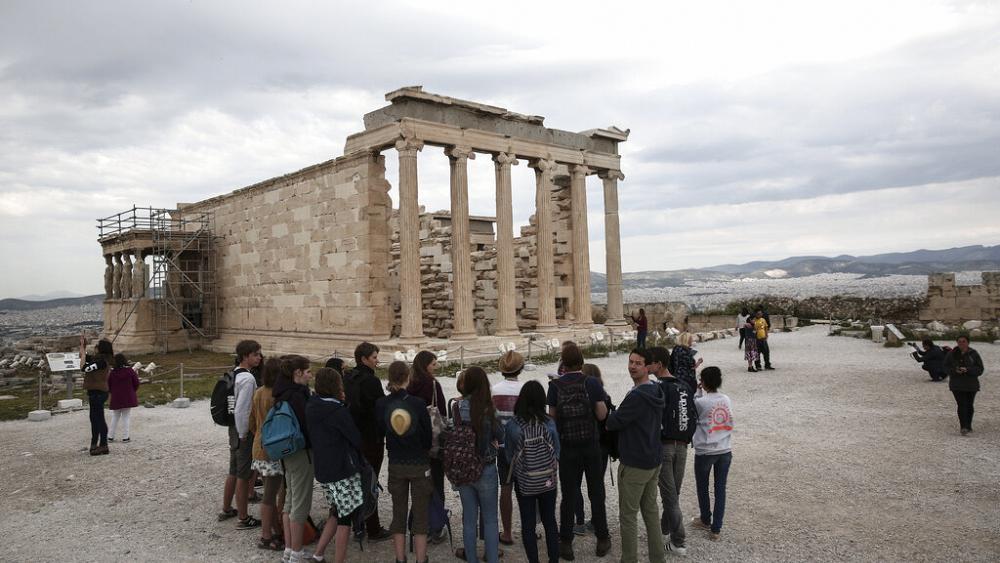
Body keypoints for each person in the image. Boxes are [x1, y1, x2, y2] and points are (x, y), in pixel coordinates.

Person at [547, 342, 612, 560]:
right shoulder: (591, 382)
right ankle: (602, 537)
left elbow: (552, 418)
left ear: (563, 363)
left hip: (568, 447)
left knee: (569, 495)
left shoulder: (555, 386)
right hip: (591, 446)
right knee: (596, 492)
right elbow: (602, 415)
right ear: (581, 362)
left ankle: (566, 542)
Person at [606, 348, 666, 563]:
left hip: (635, 463)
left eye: (638, 363)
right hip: (653, 459)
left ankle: (629, 559)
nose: (632, 366)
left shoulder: (638, 396)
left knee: (628, 516)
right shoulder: (656, 390)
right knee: (650, 512)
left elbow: (613, 422)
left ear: (648, 367)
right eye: (630, 362)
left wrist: (606, 411)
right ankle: (658, 558)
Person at [376, 361, 433, 563]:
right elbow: (428, 437)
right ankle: (420, 558)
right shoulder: (417, 404)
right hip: (419, 462)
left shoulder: (382, 404)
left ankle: (400, 558)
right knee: (420, 514)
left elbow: (379, 432)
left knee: (397, 513)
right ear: (407, 377)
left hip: (396, 462)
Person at [307, 367, 363, 563]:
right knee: (345, 518)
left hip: (324, 467)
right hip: (342, 469)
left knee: (336, 510)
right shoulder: (337, 411)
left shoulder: (312, 405)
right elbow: (355, 438)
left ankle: (319, 553)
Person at [505, 380, 560, 563]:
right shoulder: (549, 423)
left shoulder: (513, 425)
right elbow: (557, 451)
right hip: (547, 480)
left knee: (528, 525)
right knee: (550, 521)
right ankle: (553, 560)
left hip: (525, 481)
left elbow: (509, 456)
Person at [453, 367, 503, 563]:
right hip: (486, 467)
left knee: (469, 519)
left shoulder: (457, 407)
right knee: (490, 520)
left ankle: (471, 558)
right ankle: (492, 559)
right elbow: (501, 435)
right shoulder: (489, 408)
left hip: (464, 466)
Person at [343, 342, 391, 542]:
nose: (377, 360)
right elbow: (380, 409)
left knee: (357, 482)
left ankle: (358, 525)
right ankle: (372, 528)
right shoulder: (370, 381)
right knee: (370, 483)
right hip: (370, 439)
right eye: (374, 357)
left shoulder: (348, 378)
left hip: (353, 437)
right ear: (363, 359)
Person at [649, 346, 695, 556]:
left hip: (665, 447)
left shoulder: (657, 388)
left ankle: (678, 542)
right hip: (683, 446)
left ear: (658, 364)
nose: (647, 365)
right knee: (672, 493)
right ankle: (664, 529)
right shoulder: (684, 386)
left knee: (670, 498)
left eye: (650, 362)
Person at [274, 355, 314, 563]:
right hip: (301, 452)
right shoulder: (297, 396)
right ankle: (296, 553)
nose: (310, 375)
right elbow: (308, 425)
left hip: (287, 452)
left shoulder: (282, 393)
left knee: (290, 501)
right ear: (297, 373)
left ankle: (290, 549)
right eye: (308, 371)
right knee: (300, 503)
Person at [407, 349, 449, 544]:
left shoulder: (410, 385)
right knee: (436, 484)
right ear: (425, 365)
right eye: (433, 364)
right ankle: (436, 526)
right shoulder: (432, 385)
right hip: (433, 443)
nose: (436, 367)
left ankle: (416, 526)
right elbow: (442, 412)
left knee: (418, 486)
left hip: (415, 444)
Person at [691, 366, 733, 541]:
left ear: (703, 382)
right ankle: (716, 529)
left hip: (706, 450)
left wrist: (697, 391)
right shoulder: (726, 399)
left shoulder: (700, 401)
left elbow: (696, 409)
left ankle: (705, 518)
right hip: (725, 449)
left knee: (703, 486)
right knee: (720, 488)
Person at [572, 363, 614, 536]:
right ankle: (597, 521)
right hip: (601, 447)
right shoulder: (605, 396)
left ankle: (580, 521)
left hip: (581, 445)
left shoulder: (579, 396)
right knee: (596, 487)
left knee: (575, 484)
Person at [248, 358, 285, 551]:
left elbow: (252, 422)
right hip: (273, 451)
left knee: (271, 493)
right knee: (270, 496)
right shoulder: (277, 397)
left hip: (259, 448)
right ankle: (266, 536)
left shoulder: (259, 392)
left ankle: (275, 529)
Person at [492, 350, 526, 546]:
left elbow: (492, 418)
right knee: (526, 488)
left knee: (505, 487)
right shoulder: (525, 389)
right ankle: (528, 527)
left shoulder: (494, 390)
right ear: (520, 369)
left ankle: (506, 531)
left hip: (502, 445)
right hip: (522, 446)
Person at [227, 340, 261, 530]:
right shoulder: (248, 379)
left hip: (233, 428)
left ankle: (227, 509)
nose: (259, 357)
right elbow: (242, 410)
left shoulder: (235, 374)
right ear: (246, 356)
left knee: (233, 469)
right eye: (256, 354)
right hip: (243, 430)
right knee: (243, 473)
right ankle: (243, 517)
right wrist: (244, 434)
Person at [944, 335, 985, 435]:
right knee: (961, 404)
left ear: (968, 342)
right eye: (960, 341)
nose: (961, 343)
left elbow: (980, 369)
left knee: (969, 405)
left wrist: (968, 370)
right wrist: (955, 371)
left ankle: (969, 425)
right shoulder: (951, 354)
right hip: (956, 384)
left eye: (964, 341)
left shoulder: (973, 354)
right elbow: (945, 367)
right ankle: (963, 426)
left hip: (971, 384)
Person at [79, 335, 112, 456]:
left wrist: (83, 355)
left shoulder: (102, 362)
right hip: (94, 392)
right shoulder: (97, 359)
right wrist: (83, 345)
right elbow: (81, 356)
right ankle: (94, 443)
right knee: (94, 419)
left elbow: (83, 367)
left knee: (99, 419)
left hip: (99, 393)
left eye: (97, 347)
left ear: (101, 349)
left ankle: (103, 445)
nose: (95, 348)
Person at [107, 353, 139, 443]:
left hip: (116, 397)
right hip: (128, 396)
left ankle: (110, 436)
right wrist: (132, 391)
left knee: (115, 417)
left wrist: (112, 392)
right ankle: (126, 437)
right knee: (126, 417)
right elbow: (136, 383)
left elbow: (109, 385)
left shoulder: (112, 373)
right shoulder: (129, 371)